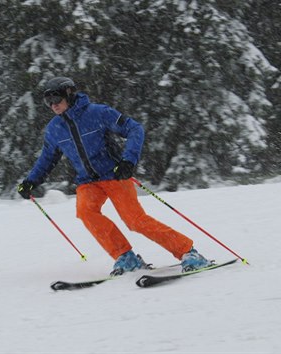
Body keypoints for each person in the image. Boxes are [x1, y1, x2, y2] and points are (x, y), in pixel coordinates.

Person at [17, 76, 211, 275]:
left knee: (135, 221)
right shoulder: (54, 129)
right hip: (88, 182)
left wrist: (128, 161)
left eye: (56, 99)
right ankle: (125, 257)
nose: (53, 105)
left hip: (114, 175)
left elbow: (134, 129)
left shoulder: (98, 113)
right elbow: (47, 158)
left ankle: (188, 252)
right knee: (86, 212)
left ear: (69, 94)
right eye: (48, 101)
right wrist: (31, 181)